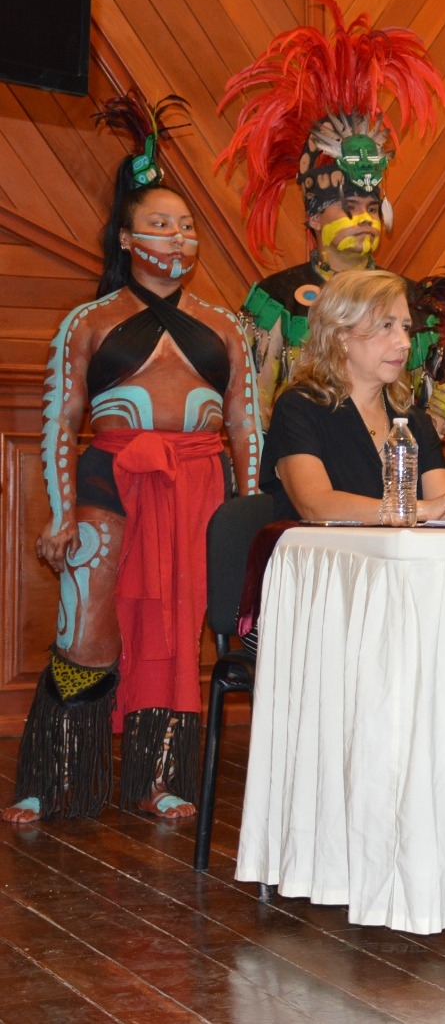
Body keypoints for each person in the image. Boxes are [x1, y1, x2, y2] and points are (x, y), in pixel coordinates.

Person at [5, 97, 260, 825]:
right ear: (125, 236)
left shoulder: (228, 325)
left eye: (186, 225)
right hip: (109, 483)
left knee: (179, 631)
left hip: (200, 490)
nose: (177, 236)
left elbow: (248, 428)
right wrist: (58, 511)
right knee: (85, 624)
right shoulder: (87, 322)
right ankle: (54, 777)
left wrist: (251, 524)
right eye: (160, 223)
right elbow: (62, 423)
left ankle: (159, 778)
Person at [215, 0, 445, 435]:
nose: (364, 220)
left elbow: (432, 393)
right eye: (347, 210)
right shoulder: (277, 298)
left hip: (392, 467)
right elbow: (249, 399)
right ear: (313, 219)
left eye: (371, 209)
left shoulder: (412, 298)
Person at [260, 270, 445, 524]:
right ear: (341, 336)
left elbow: (444, 512)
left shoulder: (414, 420)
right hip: (324, 558)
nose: (404, 342)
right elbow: (315, 505)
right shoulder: (299, 408)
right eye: (386, 326)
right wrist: (415, 510)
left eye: (405, 327)